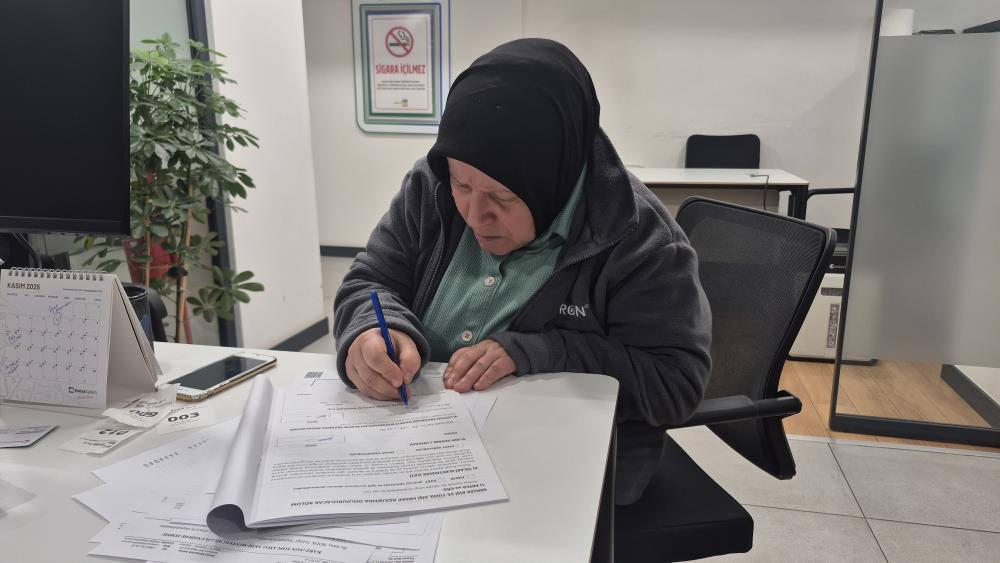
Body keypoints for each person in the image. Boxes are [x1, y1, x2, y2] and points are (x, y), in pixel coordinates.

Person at [334, 38, 711, 504]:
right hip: (419, 451)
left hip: (560, 473)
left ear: (555, 179)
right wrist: (373, 329)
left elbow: (675, 383)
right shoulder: (430, 186)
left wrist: (542, 351)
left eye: (503, 197)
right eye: (462, 185)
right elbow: (371, 280)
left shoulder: (636, 238)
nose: (475, 215)